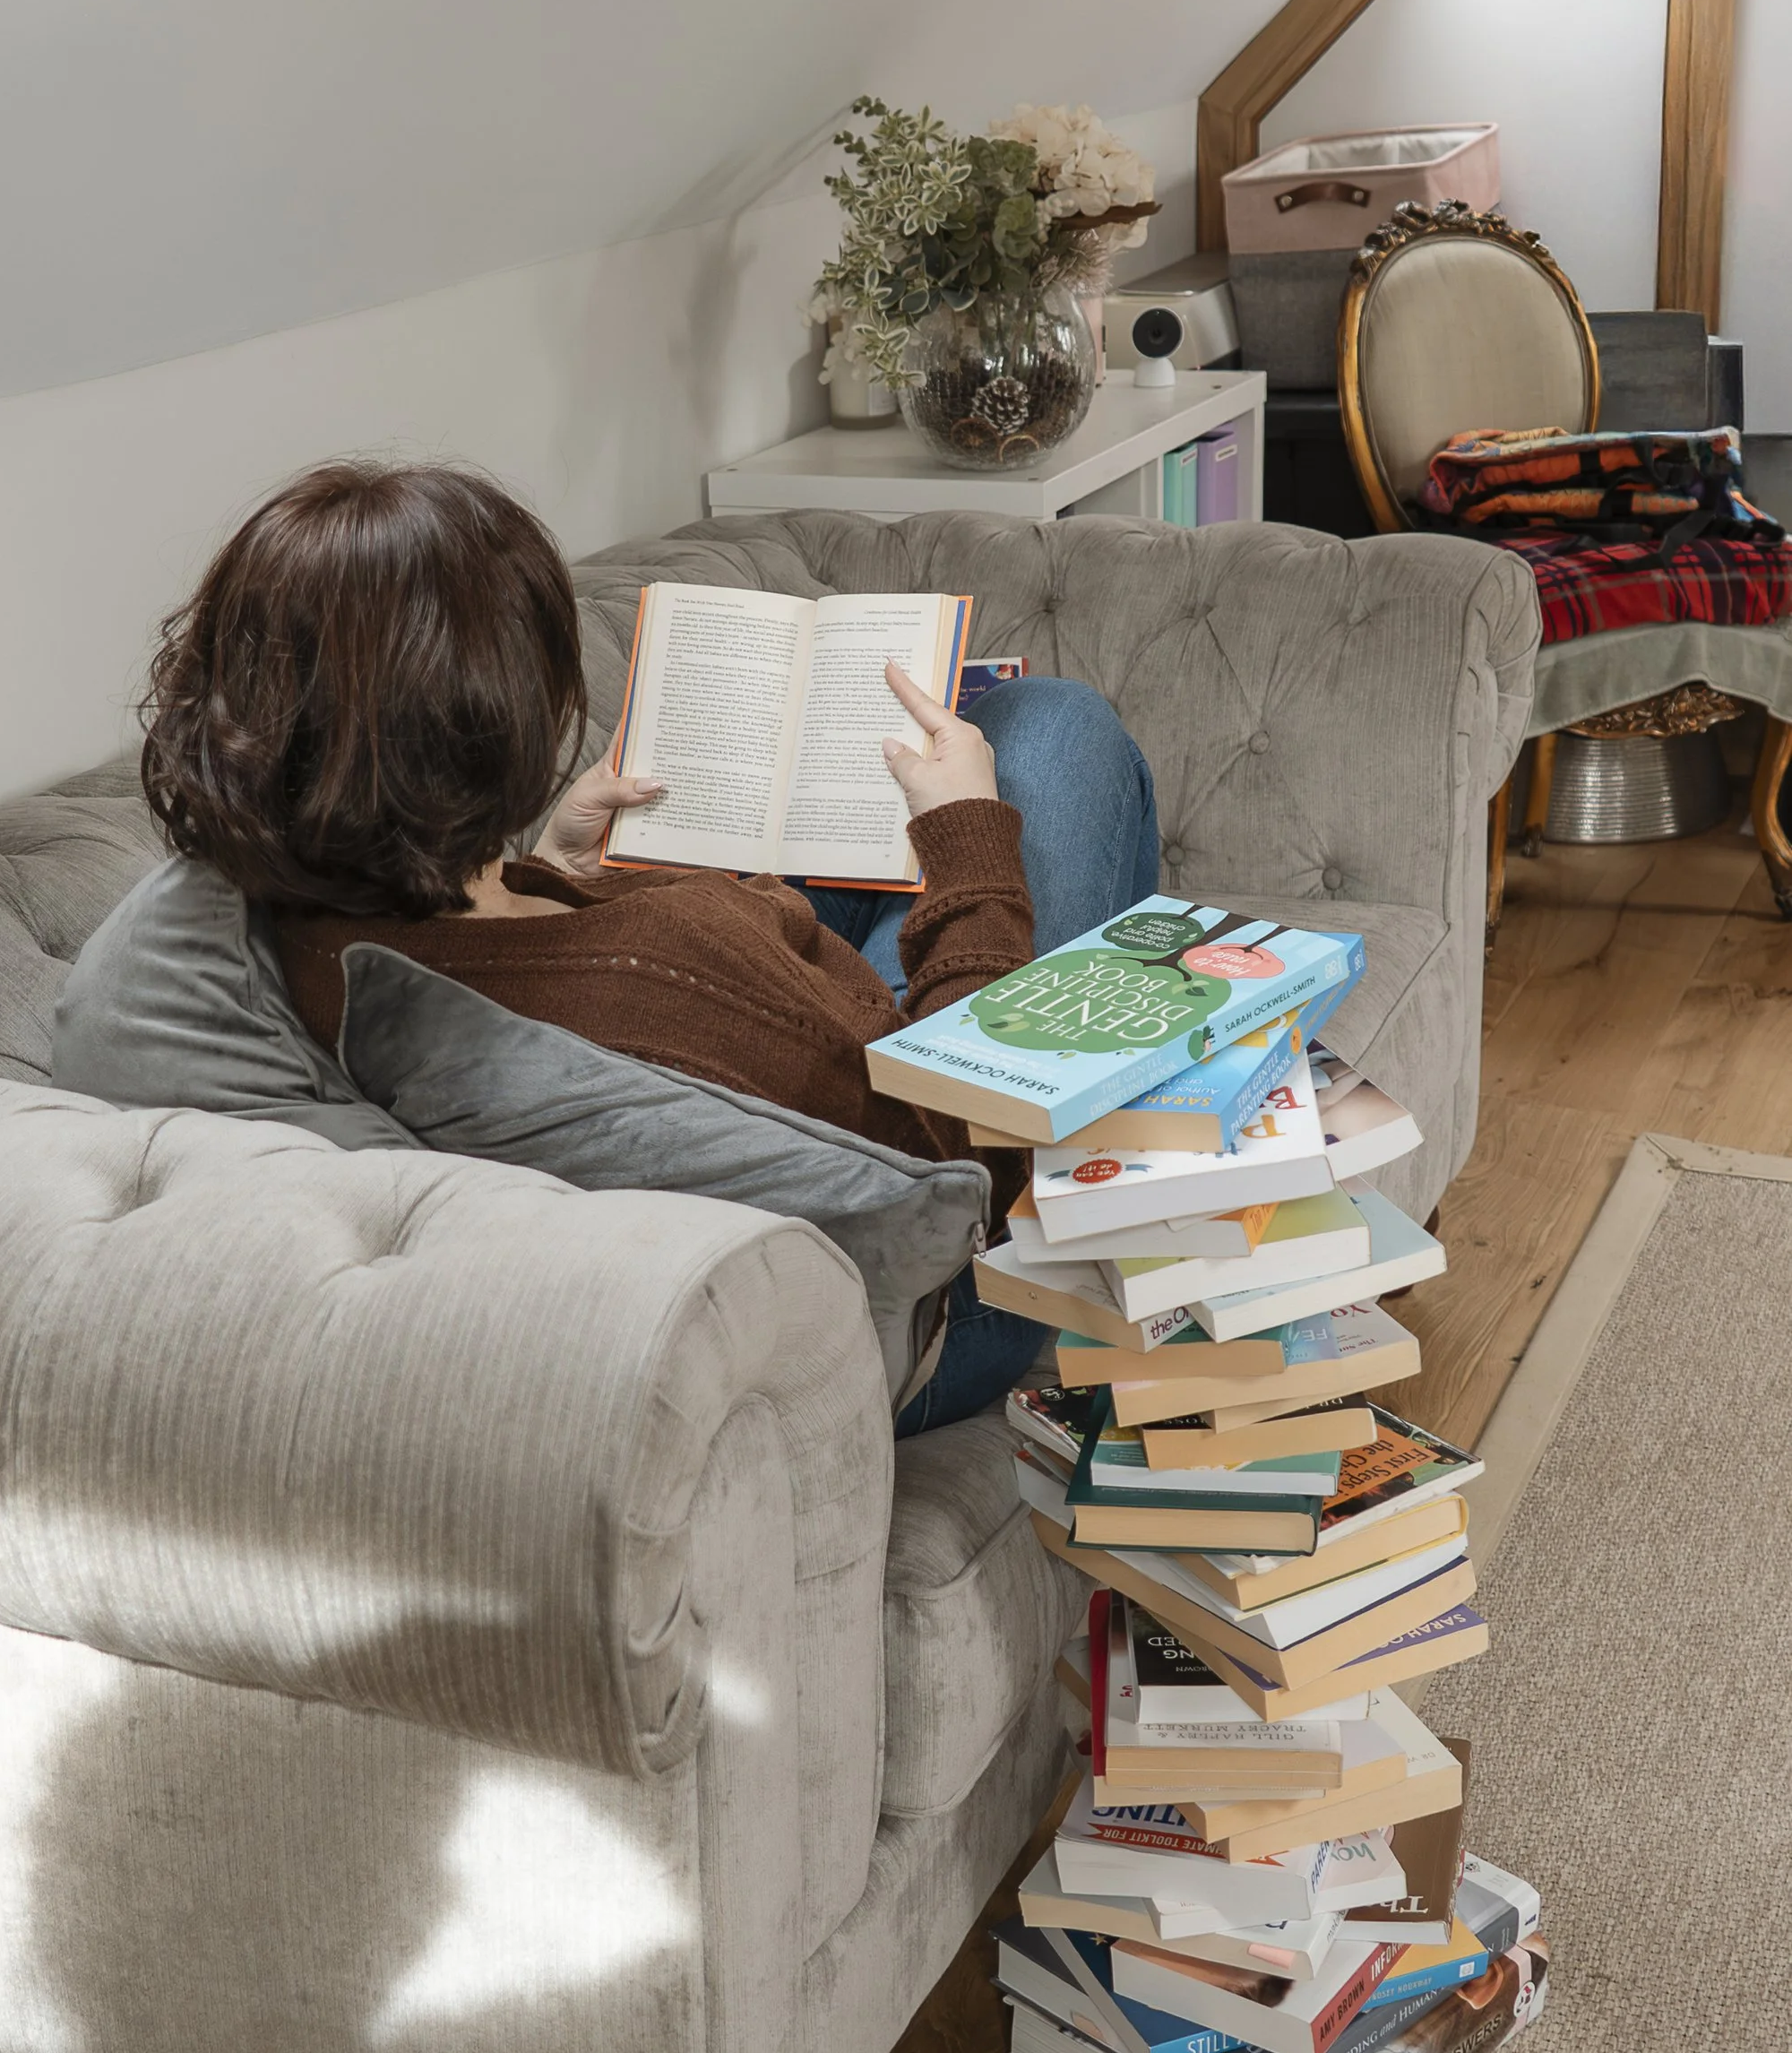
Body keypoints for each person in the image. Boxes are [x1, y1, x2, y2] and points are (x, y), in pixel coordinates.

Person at [136, 458, 1158, 1433]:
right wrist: (965, 845)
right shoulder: (658, 981)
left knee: (929, 785)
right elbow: (969, 1153)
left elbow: (501, 958)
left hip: (734, 1023)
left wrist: (542, 872)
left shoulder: (288, 922)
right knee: (1052, 728)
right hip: (940, 1300)